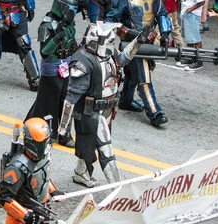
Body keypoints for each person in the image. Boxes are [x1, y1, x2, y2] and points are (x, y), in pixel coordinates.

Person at [58, 21, 150, 187]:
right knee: (105, 149)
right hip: (90, 112)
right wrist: (64, 127)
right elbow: (71, 97)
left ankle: (81, 173)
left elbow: (122, 59)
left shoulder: (107, 55)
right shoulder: (83, 61)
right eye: (109, 40)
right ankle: (118, 189)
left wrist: (138, 41)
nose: (111, 43)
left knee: (88, 145)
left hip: (107, 110)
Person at [105, 0, 172, 127]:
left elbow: (161, 14)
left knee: (133, 74)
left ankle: (126, 100)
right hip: (130, 43)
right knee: (143, 77)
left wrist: (164, 33)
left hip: (147, 41)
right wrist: (130, 34)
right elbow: (111, 22)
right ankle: (154, 112)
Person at [26, 0, 78, 147]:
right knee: (47, 101)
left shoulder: (68, 25)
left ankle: (64, 133)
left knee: (66, 100)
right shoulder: (47, 25)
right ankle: (40, 129)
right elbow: (45, 51)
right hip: (52, 68)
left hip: (66, 65)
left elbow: (72, 43)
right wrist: (57, 38)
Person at [0, 117, 64, 223]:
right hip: (19, 219)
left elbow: (41, 175)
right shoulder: (17, 167)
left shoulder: (44, 156)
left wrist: (53, 190)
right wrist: (25, 215)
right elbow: (3, 198)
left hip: (40, 212)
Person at [176, 0, 206, 71]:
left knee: (195, 38)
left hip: (192, 14)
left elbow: (201, 1)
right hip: (186, 13)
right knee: (189, 38)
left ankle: (198, 60)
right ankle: (189, 57)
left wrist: (191, 9)